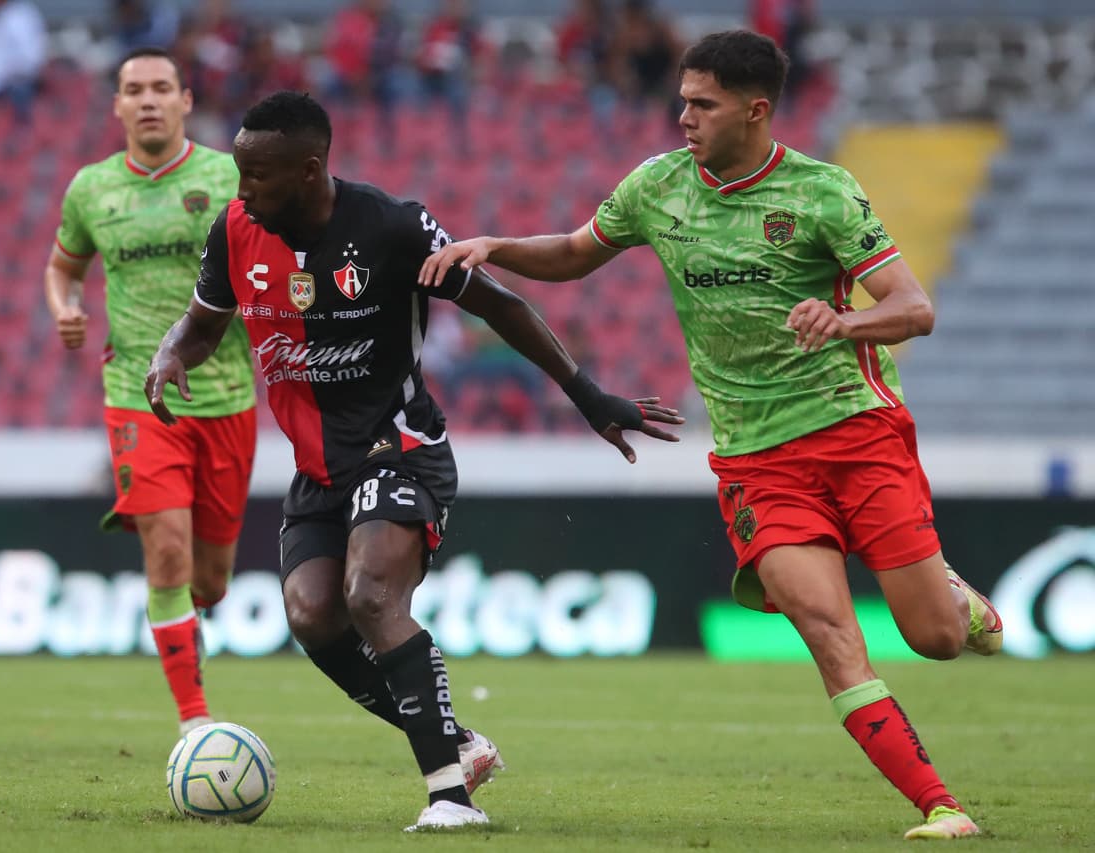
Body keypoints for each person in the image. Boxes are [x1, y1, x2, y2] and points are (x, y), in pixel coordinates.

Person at [419, 29, 1003, 842]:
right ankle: (942, 806)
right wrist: (494, 248)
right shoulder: (658, 185)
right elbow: (576, 252)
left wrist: (842, 321)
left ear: (755, 110)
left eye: (703, 103)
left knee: (933, 638)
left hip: (856, 433)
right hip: (756, 460)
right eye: (683, 99)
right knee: (830, 634)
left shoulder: (823, 192)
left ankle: (954, 600)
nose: (682, 115)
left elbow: (915, 308)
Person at [143, 91, 684, 831]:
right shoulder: (236, 230)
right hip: (319, 471)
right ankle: (456, 742)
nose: (243, 191)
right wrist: (171, 354)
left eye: (257, 176)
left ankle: (451, 798)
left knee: (370, 597)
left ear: (308, 170)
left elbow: (501, 305)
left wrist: (586, 395)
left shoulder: (392, 227)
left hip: (399, 449)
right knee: (312, 616)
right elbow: (203, 324)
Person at [43, 47, 257, 736]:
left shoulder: (231, 176)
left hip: (226, 395)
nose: (148, 100)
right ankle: (195, 724)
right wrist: (65, 305)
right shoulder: (91, 189)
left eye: (162, 87)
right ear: (117, 105)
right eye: (133, 89)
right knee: (165, 550)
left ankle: (186, 620)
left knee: (212, 577)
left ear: (186, 100)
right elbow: (62, 265)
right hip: (138, 392)